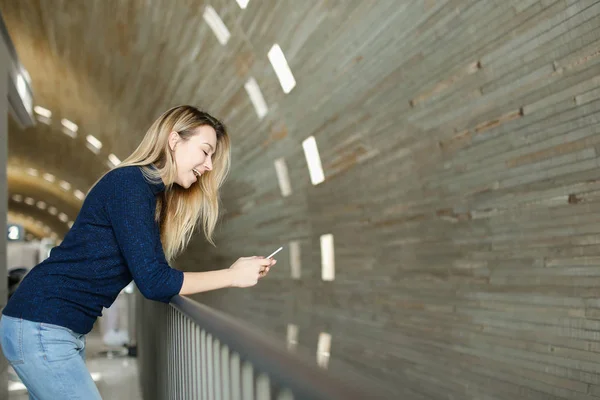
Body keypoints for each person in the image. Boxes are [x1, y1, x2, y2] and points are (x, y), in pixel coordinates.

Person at [0, 105, 276, 399]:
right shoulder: (131, 185)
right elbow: (155, 282)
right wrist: (233, 276)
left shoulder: (148, 193)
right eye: (205, 151)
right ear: (174, 140)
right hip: (42, 326)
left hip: (54, 328)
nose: (209, 165)